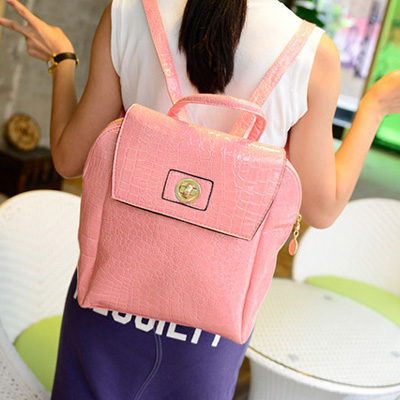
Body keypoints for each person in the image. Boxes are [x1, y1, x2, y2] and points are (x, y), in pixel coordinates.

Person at [1, 0, 400, 398]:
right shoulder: (312, 54)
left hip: (107, 297)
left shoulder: (128, 11)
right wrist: (373, 108)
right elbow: (321, 208)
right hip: (210, 327)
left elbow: (69, 158)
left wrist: (62, 61)